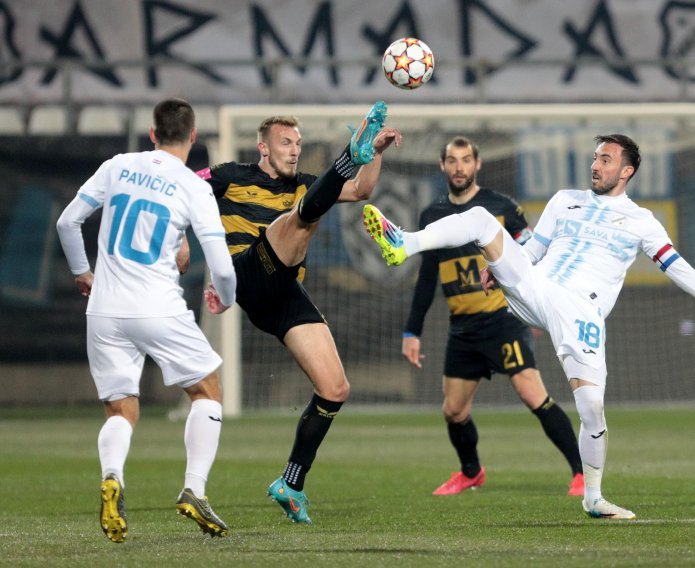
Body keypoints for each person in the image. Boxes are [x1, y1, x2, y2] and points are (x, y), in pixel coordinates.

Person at [362, 133, 695, 520]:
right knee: (482, 220)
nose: (596, 165)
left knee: (592, 409)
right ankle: (405, 243)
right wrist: (501, 267)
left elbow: (681, 270)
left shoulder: (642, 222)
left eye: (606, 160)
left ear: (626, 171)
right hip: (536, 288)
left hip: (581, 314)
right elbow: (533, 250)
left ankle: (593, 498)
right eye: (595, 158)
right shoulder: (564, 201)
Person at [199, 101, 402, 524]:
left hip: (284, 290)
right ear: (263, 148)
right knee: (300, 218)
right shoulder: (230, 176)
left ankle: (291, 483)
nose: (294, 150)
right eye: (285, 142)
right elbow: (182, 193)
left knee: (335, 388)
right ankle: (349, 154)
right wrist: (199, 262)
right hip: (245, 274)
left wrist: (377, 151)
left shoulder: (307, 185)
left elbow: (362, 191)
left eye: (298, 143)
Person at [55, 98, 237, 542]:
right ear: (193, 138)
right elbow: (224, 268)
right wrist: (225, 298)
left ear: (152, 134)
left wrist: (83, 272)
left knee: (121, 409)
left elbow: (67, 222)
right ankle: (194, 488)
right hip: (158, 307)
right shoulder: (194, 186)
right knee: (207, 391)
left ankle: (113, 475)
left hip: (104, 309)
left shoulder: (117, 165)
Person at [402, 136, 583, 497]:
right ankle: (471, 472)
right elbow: (426, 279)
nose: (459, 167)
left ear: (477, 164)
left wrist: (537, 306)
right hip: (463, 329)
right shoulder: (431, 215)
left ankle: (581, 473)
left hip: (502, 321)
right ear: (442, 166)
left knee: (532, 394)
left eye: (466, 160)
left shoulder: (502, 207)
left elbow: (534, 255)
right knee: (453, 411)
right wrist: (412, 331)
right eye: (452, 161)